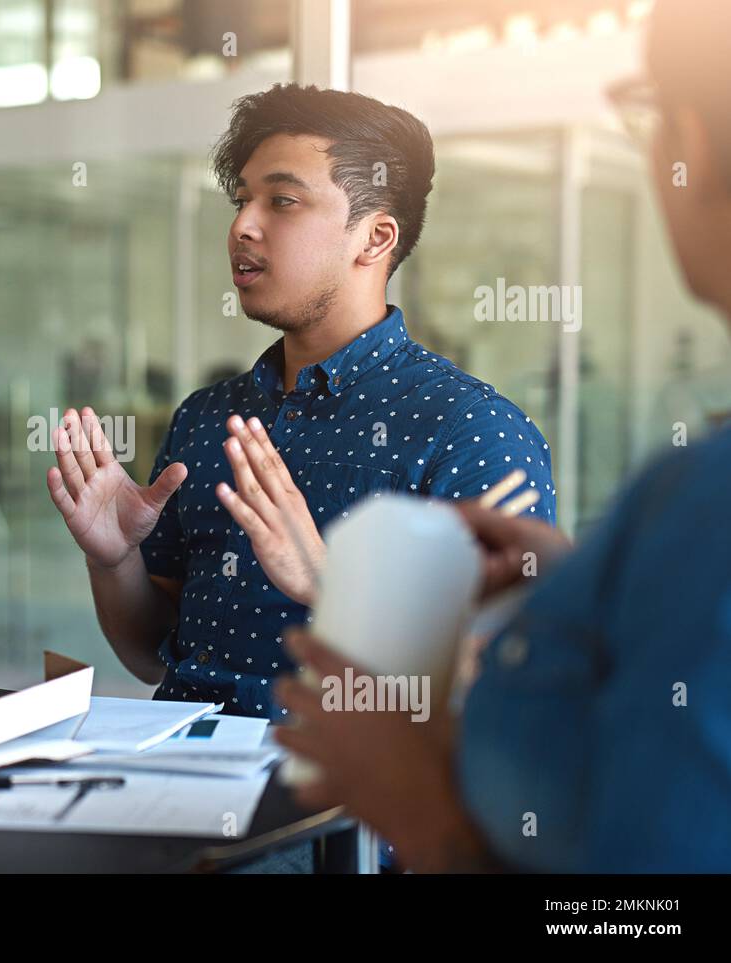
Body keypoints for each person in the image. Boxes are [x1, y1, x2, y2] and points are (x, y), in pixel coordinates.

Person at [271, 0, 731, 872]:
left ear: (692, 144)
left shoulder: (695, 504)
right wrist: (599, 589)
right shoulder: (687, 523)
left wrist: (424, 808)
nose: (247, 227)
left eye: (284, 200)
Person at [46, 84, 555, 718]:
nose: (242, 226)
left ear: (373, 239)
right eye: (241, 201)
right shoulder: (207, 418)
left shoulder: (470, 429)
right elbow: (152, 655)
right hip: (174, 783)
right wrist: (114, 559)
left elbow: (506, 696)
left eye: (282, 200)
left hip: (335, 802)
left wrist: (330, 586)